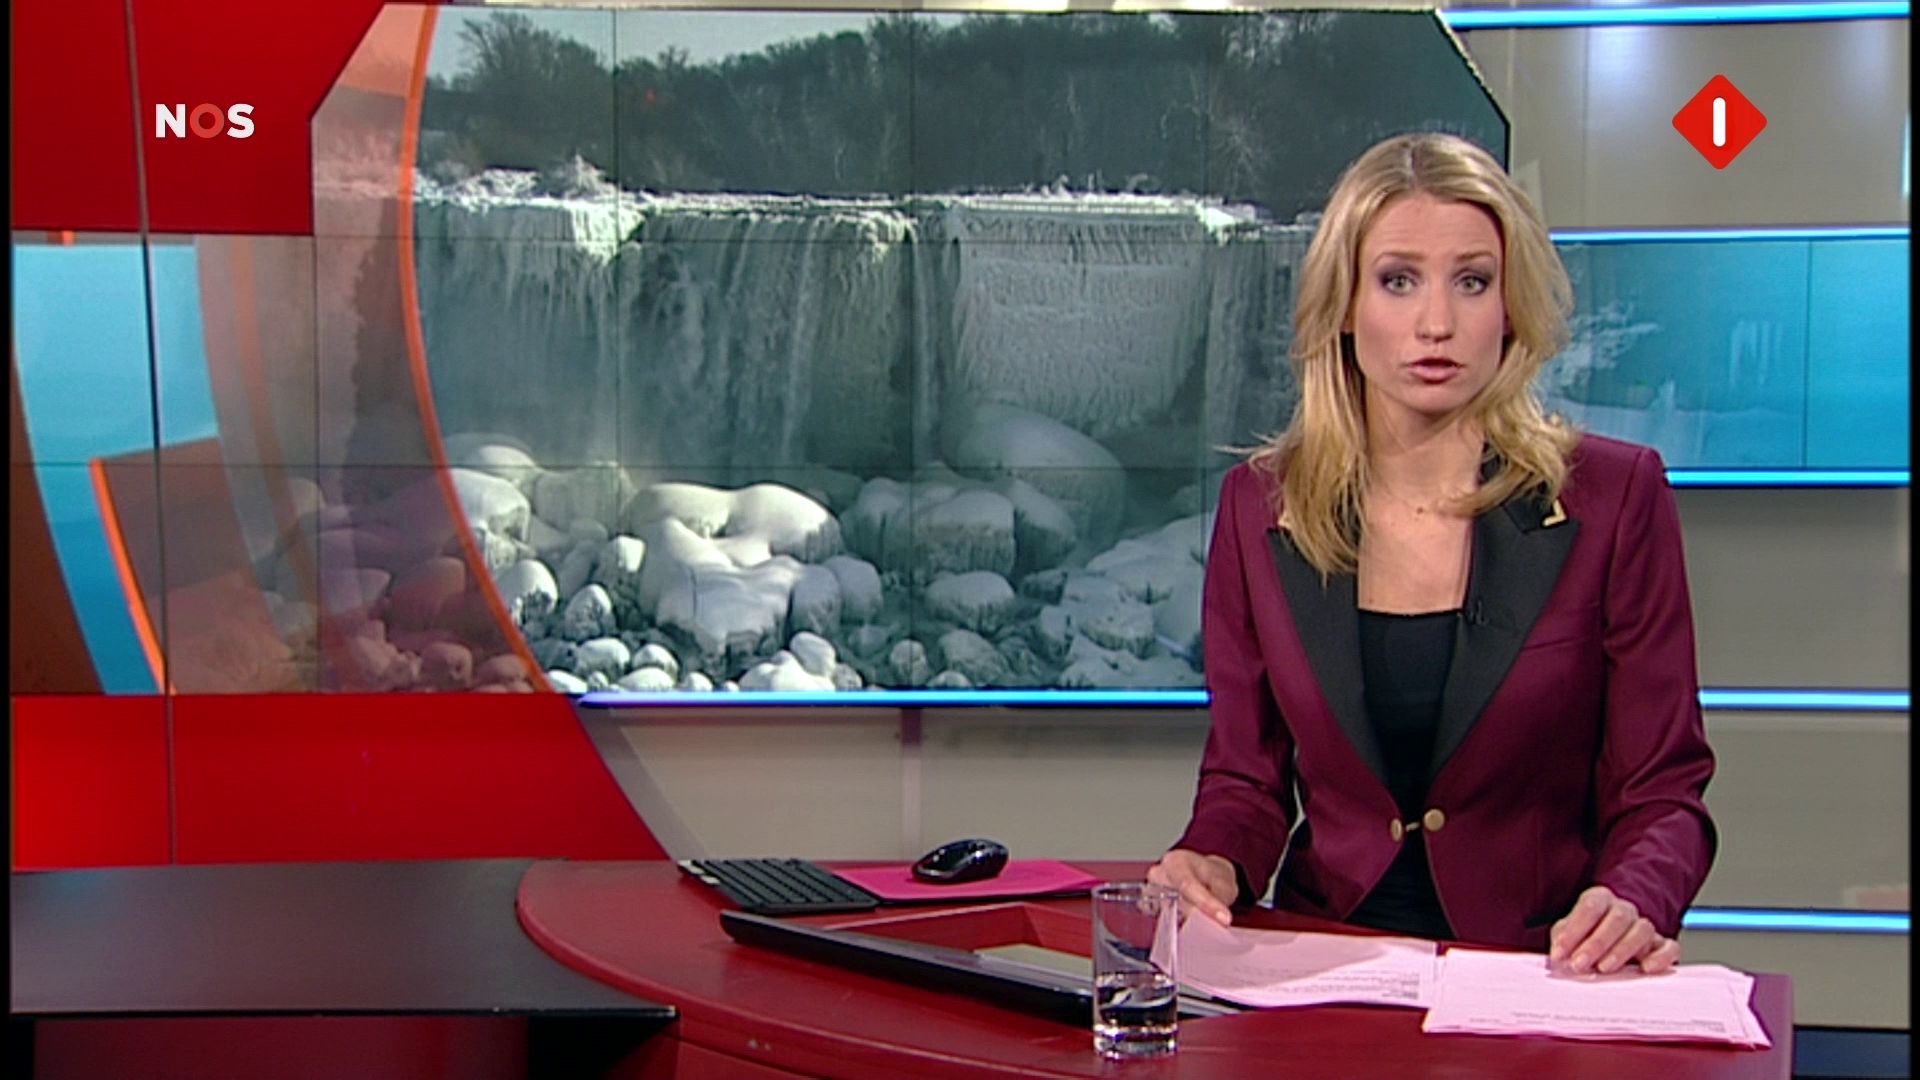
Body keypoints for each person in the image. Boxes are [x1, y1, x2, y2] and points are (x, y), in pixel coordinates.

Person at [1149, 131, 1715, 977]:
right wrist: (1213, 861)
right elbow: (1246, 781)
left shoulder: (1614, 498)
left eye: (1473, 282)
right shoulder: (1261, 508)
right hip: (1323, 962)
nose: (1437, 323)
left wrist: (1633, 896)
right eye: (1398, 280)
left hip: (1537, 968)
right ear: (1345, 303)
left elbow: (1662, 789)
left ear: (1510, 305)